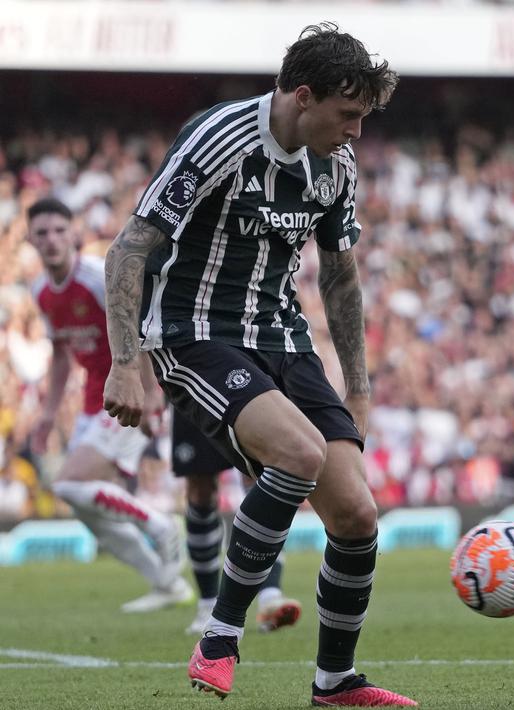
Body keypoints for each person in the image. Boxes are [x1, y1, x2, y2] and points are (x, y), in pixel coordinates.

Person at [101, 23, 414, 706]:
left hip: (283, 338)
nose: (356, 131)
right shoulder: (219, 138)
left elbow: (340, 277)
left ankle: (334, 683)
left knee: (357, 513)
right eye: (348, 113)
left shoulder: (336, 164)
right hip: (191, 333)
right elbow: (129, 247)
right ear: (303, 96)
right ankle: (218, 637)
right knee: (298, 455)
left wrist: (358, 387)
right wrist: (126, 362)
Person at [26, 197, 191, 612]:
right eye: (42, 233)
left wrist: (151, 395)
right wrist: (48, 414)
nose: (51, 240)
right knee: (86, 508)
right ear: (30, 239)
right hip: (92, 402)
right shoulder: (40, 291)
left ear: (74, 234)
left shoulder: (97, 277)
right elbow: (61, 355)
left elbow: (140, 331)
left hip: (127, 395)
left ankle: (160, 524)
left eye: (59, 231)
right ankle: (166, 583)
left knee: (69, 484)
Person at [172, 413, 301, 636]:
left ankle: (270, 597)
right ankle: (208, 605)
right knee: (200, 489)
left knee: (262, 475)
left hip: (254, 392)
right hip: (198, 394)